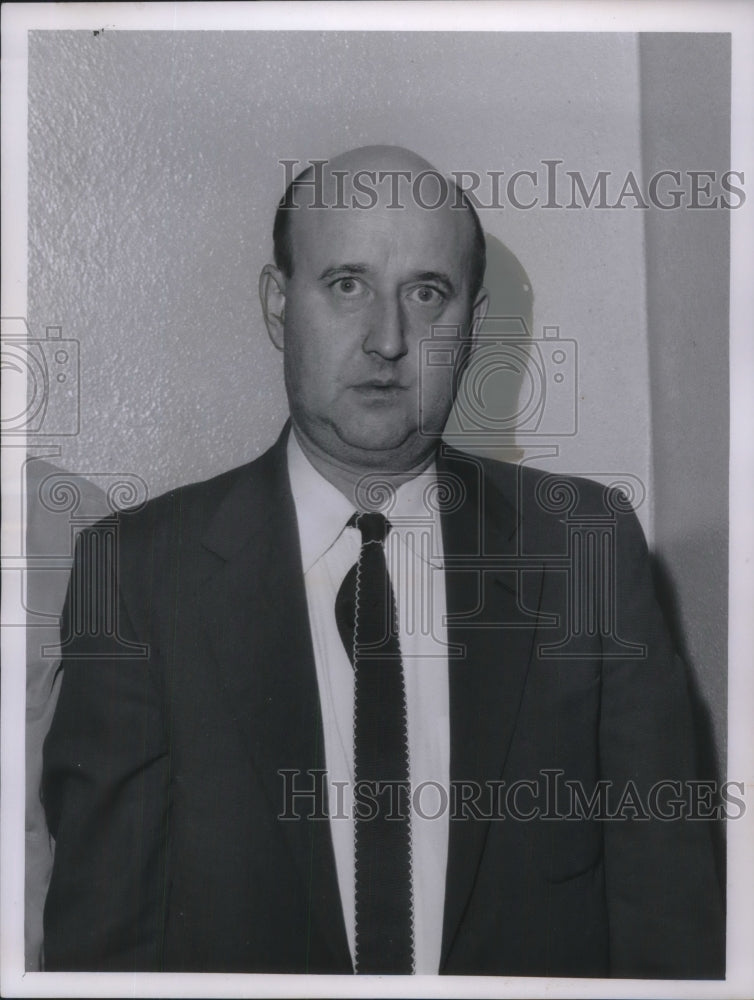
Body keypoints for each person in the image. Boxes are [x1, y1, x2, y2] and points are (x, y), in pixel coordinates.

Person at [41, 145, 724, 977]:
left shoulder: (587, 547)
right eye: (347, 285)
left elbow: (672, 930)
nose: (388, 339)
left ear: (471, 320)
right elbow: (102, 949)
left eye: (426, 293)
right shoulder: (141, 572)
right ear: (276, 304)